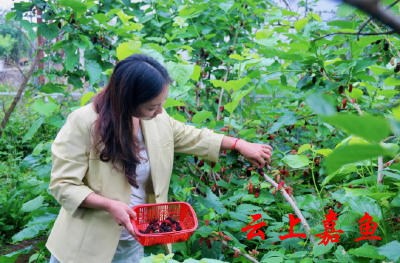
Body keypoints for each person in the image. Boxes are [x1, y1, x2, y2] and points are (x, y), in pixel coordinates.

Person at [45, 54, 273, 263]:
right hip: (85, 246)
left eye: (162, 103)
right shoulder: (84, 122)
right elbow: (63, 185)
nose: (161, 111)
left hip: (134, 241)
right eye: (153, 106)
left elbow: (191, 135)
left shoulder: (156, 120)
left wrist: (239, 144)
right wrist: (109, 205)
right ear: (127, 100)